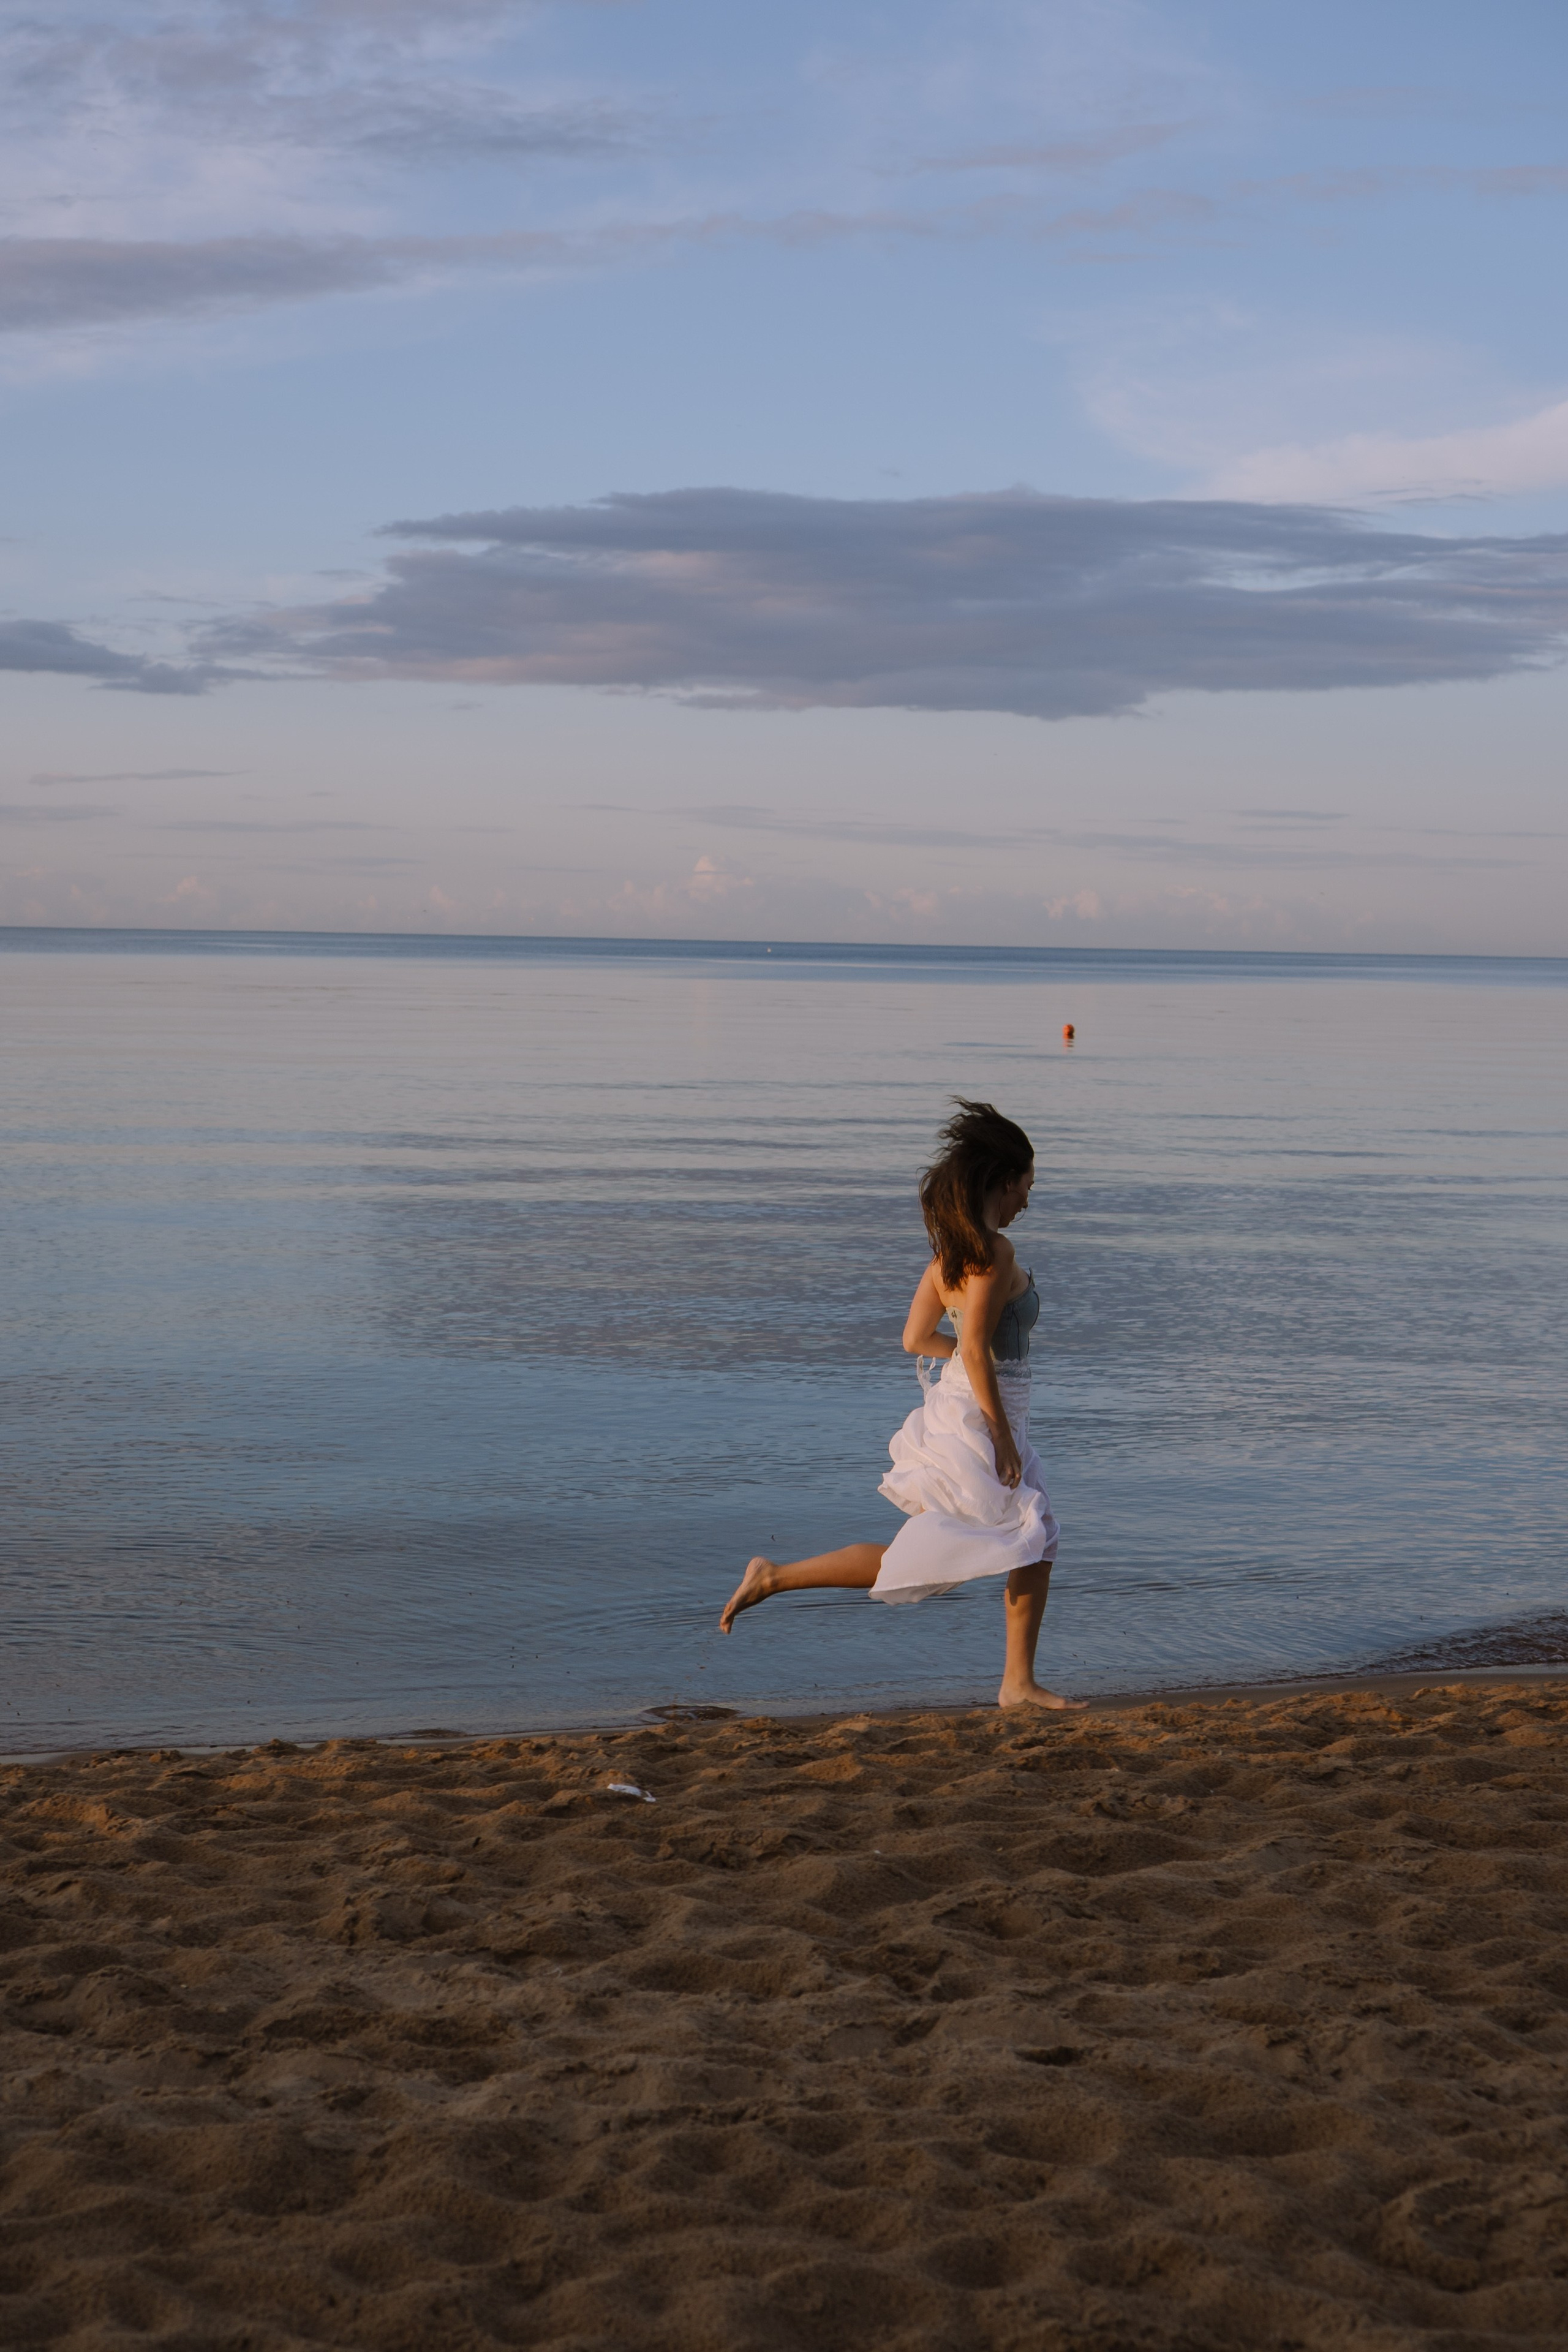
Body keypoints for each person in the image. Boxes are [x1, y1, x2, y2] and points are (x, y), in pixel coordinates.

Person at [719, 1099, 1084, 1712]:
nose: (1028, 1198)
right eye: (1027, 1184)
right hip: (986, 1416)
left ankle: (775, 1576)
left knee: (1020, 1543)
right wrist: (997, 1429)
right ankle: (1015, 1684)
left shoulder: (946, 1260)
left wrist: (977, 1367)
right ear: (1003, 1179)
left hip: (970, 1403)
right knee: (1023, 1537)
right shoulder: (995, 1254)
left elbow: (917, 1339)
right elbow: (968, 1345)